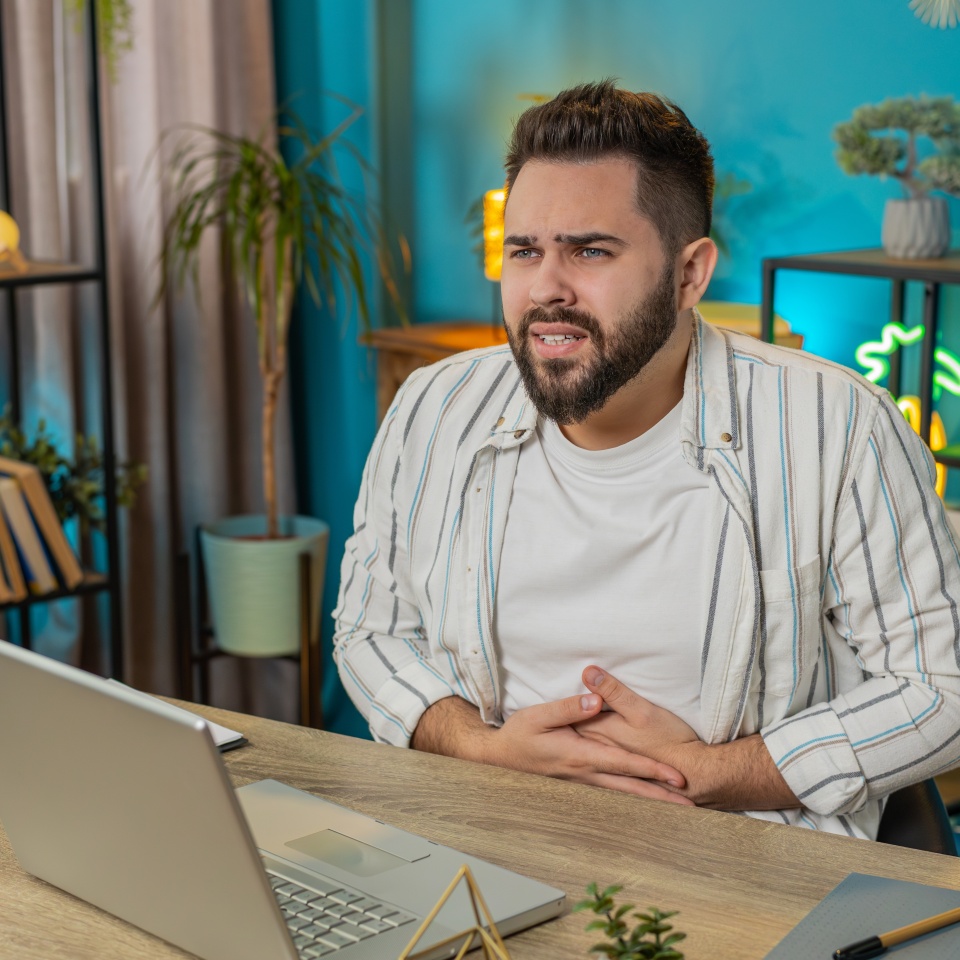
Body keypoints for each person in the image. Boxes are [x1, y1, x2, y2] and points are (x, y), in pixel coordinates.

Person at [333, 80, 960, 839]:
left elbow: (941, 689)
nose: (546, 289)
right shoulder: (433, 407)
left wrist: (713, 772)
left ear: (690, 274)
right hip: (488, 836)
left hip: (742, 855)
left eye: (590, 251)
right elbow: (370, 631)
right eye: (524, 251)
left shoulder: (838, 425)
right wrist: (480, 748)